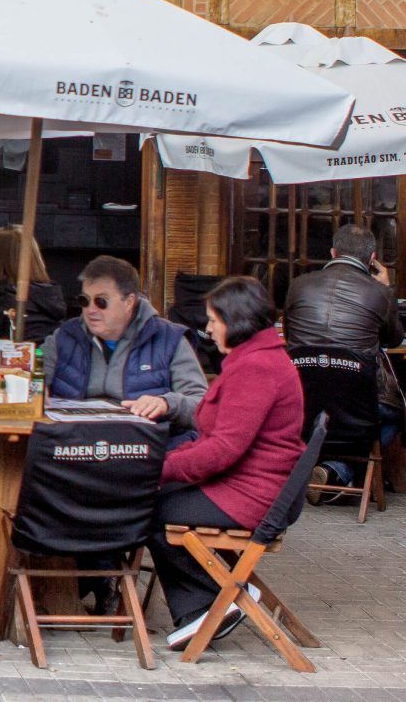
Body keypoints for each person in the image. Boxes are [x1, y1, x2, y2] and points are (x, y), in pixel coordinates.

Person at [148, 276, 305, 650]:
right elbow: (219, 444)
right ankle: (206, 606)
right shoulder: (257, 358)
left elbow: (221, 451)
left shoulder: (256, 368)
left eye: (213, 319)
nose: (208, 328)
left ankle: (215, 602)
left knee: (150, 509)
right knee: (157, 497)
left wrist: (157, 468)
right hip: (251, 487)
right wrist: (164, 464)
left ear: (236, 321)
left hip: (254, 496)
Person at [280, 223, 405, 491]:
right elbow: (394, 339)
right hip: (358, 405)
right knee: (396, 414)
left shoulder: (298, 285)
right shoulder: (379, 292)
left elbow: (290, 337)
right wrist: (387, 290)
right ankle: (338, 470)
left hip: (301, 401)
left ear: (333, 252)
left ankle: (323, 470)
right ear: (372, 260)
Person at [43, 256, 208, 433]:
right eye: (84, 300)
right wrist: (34, 389)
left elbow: (202, 406)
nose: (91, 310)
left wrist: (167, 403)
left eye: (101, 301)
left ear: (129, 302)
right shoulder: (64, 336)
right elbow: (32, 377)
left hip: (144, 446)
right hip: (73, 445)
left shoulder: (169, 339)